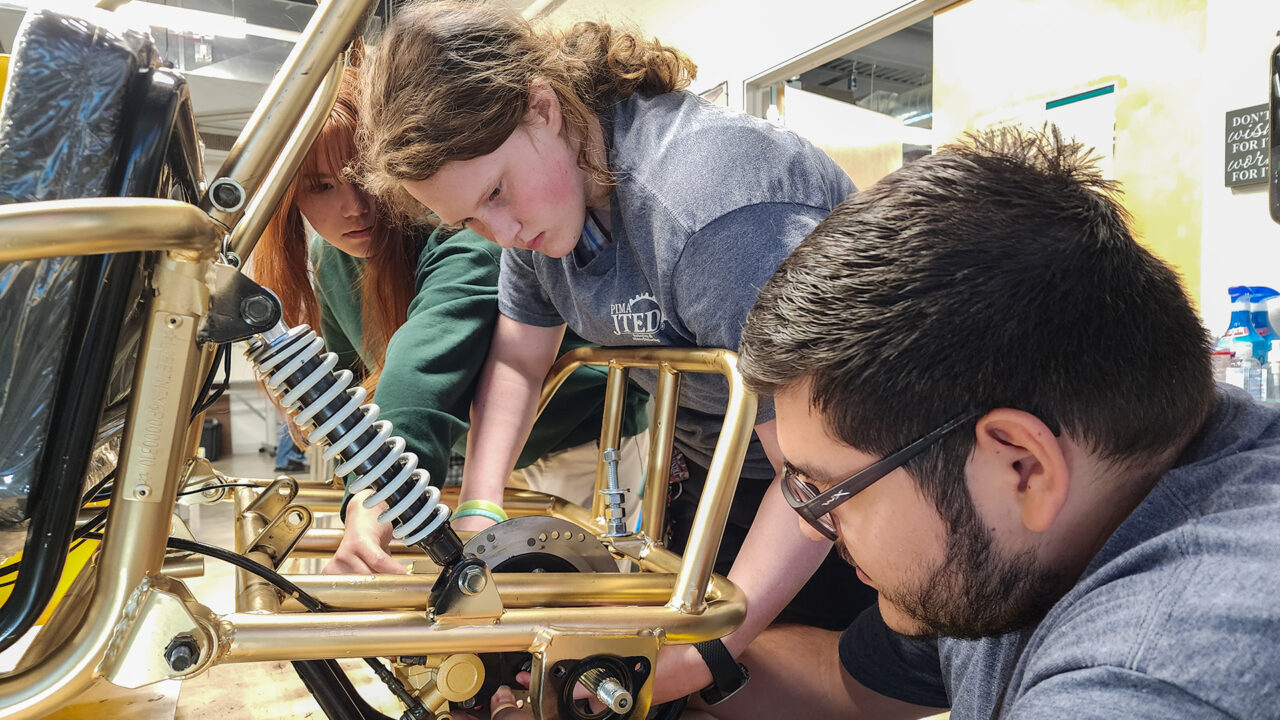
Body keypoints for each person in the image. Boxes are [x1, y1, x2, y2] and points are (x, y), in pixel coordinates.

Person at [356, 0, 872, 703]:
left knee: (770, 689)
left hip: (854, 492)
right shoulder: (544, 212)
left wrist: (706, 655)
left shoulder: (708, 214)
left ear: (541, 107)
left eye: (497, 193)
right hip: (727, 476)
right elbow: (515, 360)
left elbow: (820, 478)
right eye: (471, 219)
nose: (501, 232)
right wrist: (480, 515)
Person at [697, 125, 1280, 719]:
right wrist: (658, 662)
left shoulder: (1153, 679)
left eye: (829, 492)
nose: (818, 527)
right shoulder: (1016, 547)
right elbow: (843, 682)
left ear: (1022, 467)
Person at [253, 66, 650, 574]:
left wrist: (376, 495)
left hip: (583, 442)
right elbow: (350, 387)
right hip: (488, 455)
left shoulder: (458, 229)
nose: (354, 207)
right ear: (291, 199)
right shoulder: (334, 260)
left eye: (360, 177)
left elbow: (422, 358)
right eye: (321, 187)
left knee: (577, 611)